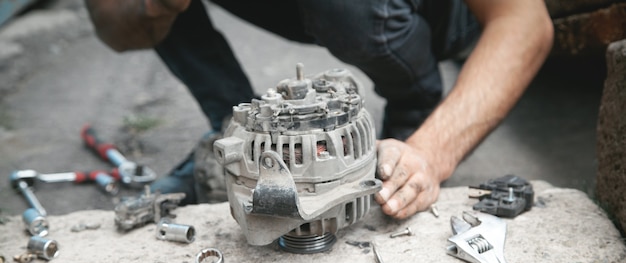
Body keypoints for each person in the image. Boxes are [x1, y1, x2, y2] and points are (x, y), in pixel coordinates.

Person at [84, 0, 554, 219]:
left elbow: (524, 22)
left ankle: (416, 114)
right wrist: (153, 7)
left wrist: (433, 151)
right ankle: (230, 135)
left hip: (436, 15)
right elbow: (113, 26)